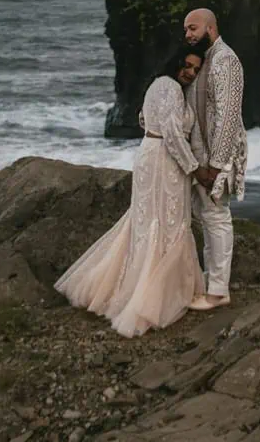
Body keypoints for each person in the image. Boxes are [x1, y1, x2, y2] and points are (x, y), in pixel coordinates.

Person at [54, 47, 206, 336]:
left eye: (196, 69)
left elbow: (143, 120)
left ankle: (137, 286)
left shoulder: (157, 85)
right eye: (187, 65)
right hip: (164, 159)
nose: (191, 72)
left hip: (149, 151)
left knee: (147, 220)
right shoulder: (172, 88)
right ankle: (156, 295)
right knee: (168, 221)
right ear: (176, 62)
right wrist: (194, 168)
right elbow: (173, 135)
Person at [181, 7, 246, 311]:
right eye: (185, 30)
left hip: (216, 159)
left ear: (210, 27)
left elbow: (228, 116)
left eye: (192, 28)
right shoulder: (204, 59)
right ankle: (212, 281)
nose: (188, 34)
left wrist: (216, 166)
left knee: (217, 217)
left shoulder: (225, 60)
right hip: (199, 158)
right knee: (207, 217)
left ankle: (219, 293)